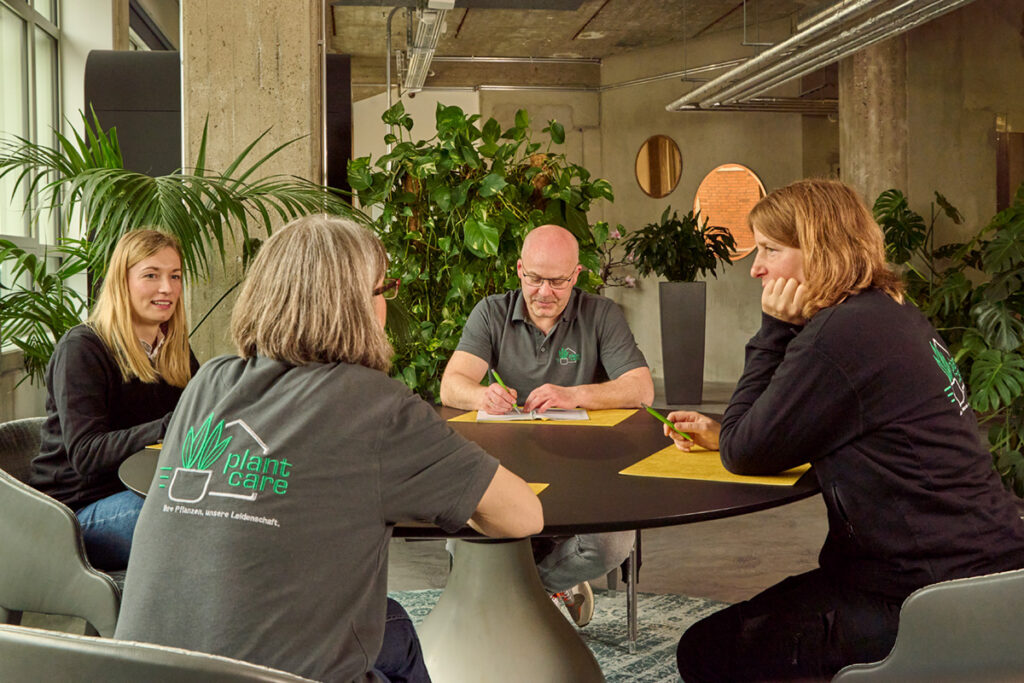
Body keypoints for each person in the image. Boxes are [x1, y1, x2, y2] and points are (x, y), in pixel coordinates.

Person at [114, 215, 543, 683]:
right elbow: (523, 515)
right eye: (383, 290)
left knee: (393, 626)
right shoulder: (375, 405)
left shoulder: (208, 381)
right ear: (359, 305)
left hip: (139, 672)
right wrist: (446, 496)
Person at [664, 178, 1024, 681]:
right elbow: (832, 420)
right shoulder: (887, 310)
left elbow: (743, 453)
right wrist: (728, 429)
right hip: (986, 566)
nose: (756, 268)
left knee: (706, 651)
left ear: (819, 250)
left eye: (770, 249)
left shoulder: (838, 334)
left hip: (927, 595)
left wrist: (773, 329)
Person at [440, 223, 654, 627]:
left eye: (558, 282)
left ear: (576, 275)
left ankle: (510, 600)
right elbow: (452, 384)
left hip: (585, 470)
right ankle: (548, 592)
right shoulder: (491, 312)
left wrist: (576, 395)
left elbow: (641, 390)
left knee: (611, 545)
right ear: (520, 270)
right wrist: (482, 396)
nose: (544, 292)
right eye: (535, 279)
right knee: (461, 536)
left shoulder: (601, 314)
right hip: (505, 467)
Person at [30, 229, 198, 571]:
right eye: (151, 275)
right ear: (122, 282)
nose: (167, 288)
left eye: (175, 276)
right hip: (75, 513)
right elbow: (86, 453)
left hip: (142, 492)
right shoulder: (83, 348)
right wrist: (169, 426)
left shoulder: (174, 351)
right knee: (181, 514)